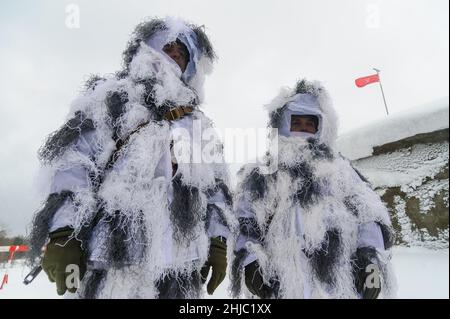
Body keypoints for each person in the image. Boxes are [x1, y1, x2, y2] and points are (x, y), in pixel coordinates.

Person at [28, 17, 234, 299]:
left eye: (182, 54)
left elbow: (216, 190)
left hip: (181, 268)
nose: (174, 57)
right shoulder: (110, 99)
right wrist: (63, 232)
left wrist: (218, 242)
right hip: (116, 264)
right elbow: (73, 165)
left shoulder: (199, 125)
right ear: (146, 50)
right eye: (168, 48)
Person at [231, 79, 397, 299]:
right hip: (281, 282)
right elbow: (245, 218)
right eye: (296, 123)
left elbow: (368, 213)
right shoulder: (263, 172)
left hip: (337, 281)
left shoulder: (340, 169)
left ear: (320, 127)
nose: (303, 129)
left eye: (309, 123)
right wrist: (250, 261)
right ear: (282, 125)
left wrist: (370, 258)